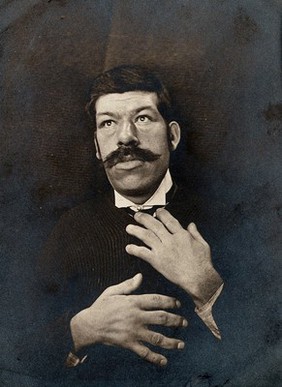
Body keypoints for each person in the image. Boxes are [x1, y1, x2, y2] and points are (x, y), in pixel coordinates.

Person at [30, 65, 224, 382]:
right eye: (108, 123)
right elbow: (19, 348)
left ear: (172, 135)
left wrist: (209, 289)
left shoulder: (227, 218)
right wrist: (80, 330)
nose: (125, 137)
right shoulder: (69, 228)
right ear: (96, 146)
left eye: (143, 118)